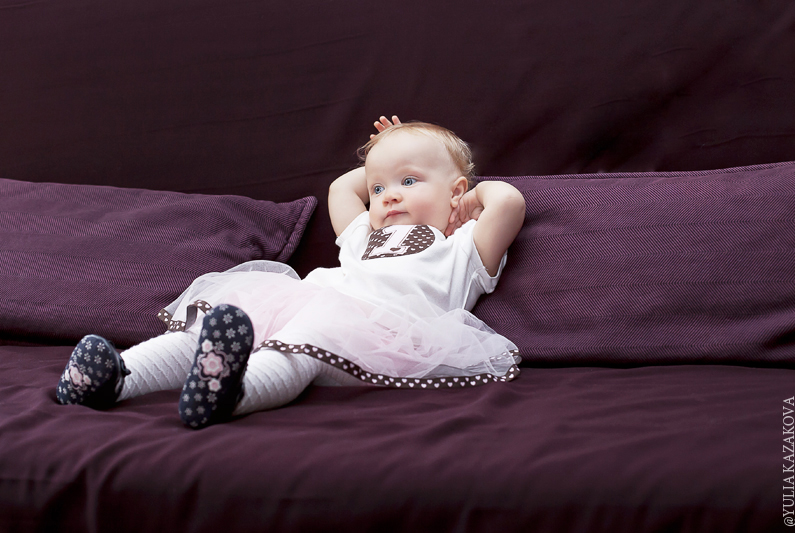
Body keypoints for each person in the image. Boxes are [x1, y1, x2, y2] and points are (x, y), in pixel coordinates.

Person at [56, 116, 526, 429]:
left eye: (408, 181)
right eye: (379, 188)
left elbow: (508, 202)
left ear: (456, 190)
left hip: (384, 333)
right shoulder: (365, 234)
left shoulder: (462, 248)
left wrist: (468, 202)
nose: (389, 195)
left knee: (308, 338)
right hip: (314, 300)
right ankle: (118, 376)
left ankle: (232, 394)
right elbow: (341, 188)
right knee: (226, 319)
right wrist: (389, 150)